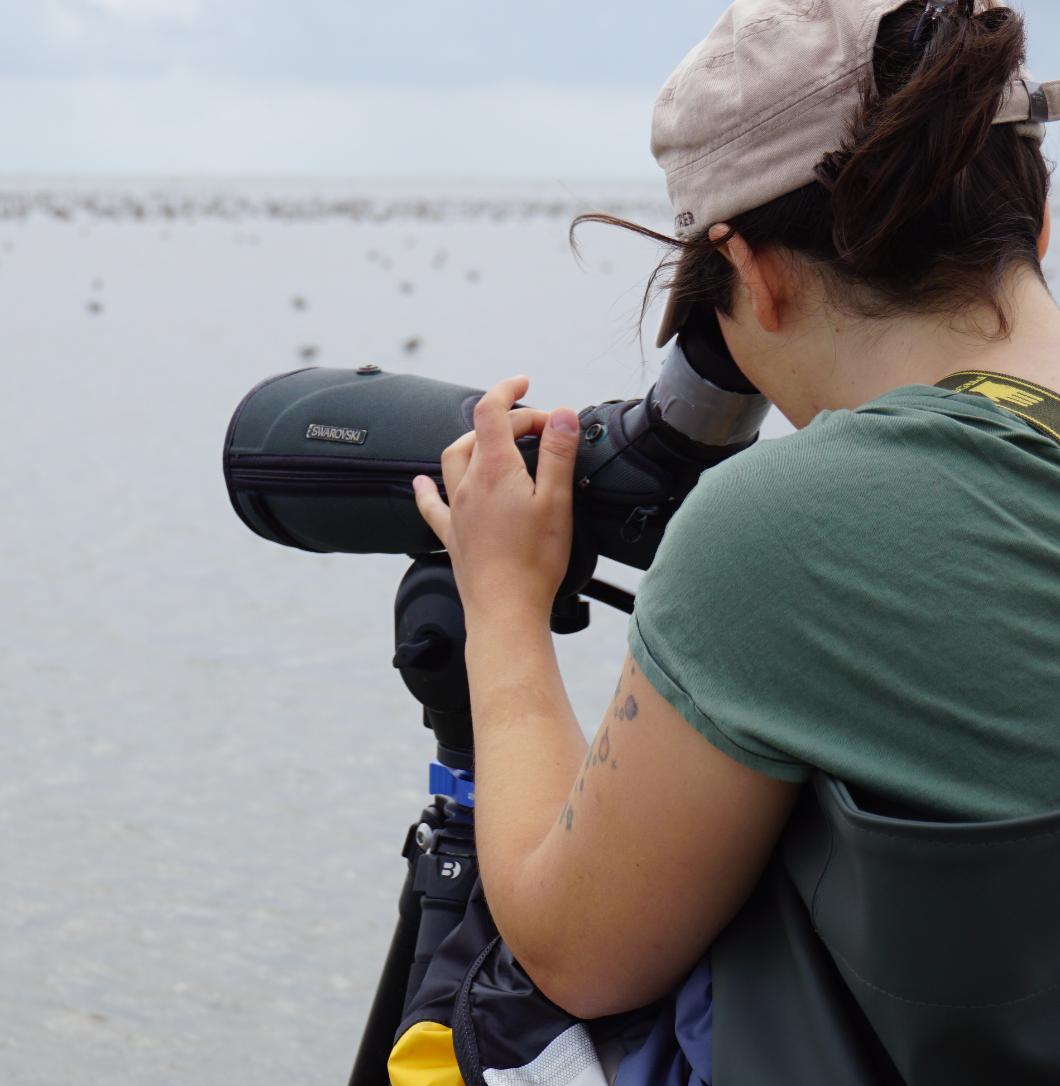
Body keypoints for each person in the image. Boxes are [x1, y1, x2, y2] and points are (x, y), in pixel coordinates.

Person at [408, 0, 1060, 1079]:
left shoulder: (795, 529)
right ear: (1036, 222)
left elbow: (576, 952)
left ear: (752, 275)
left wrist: (502, 612)